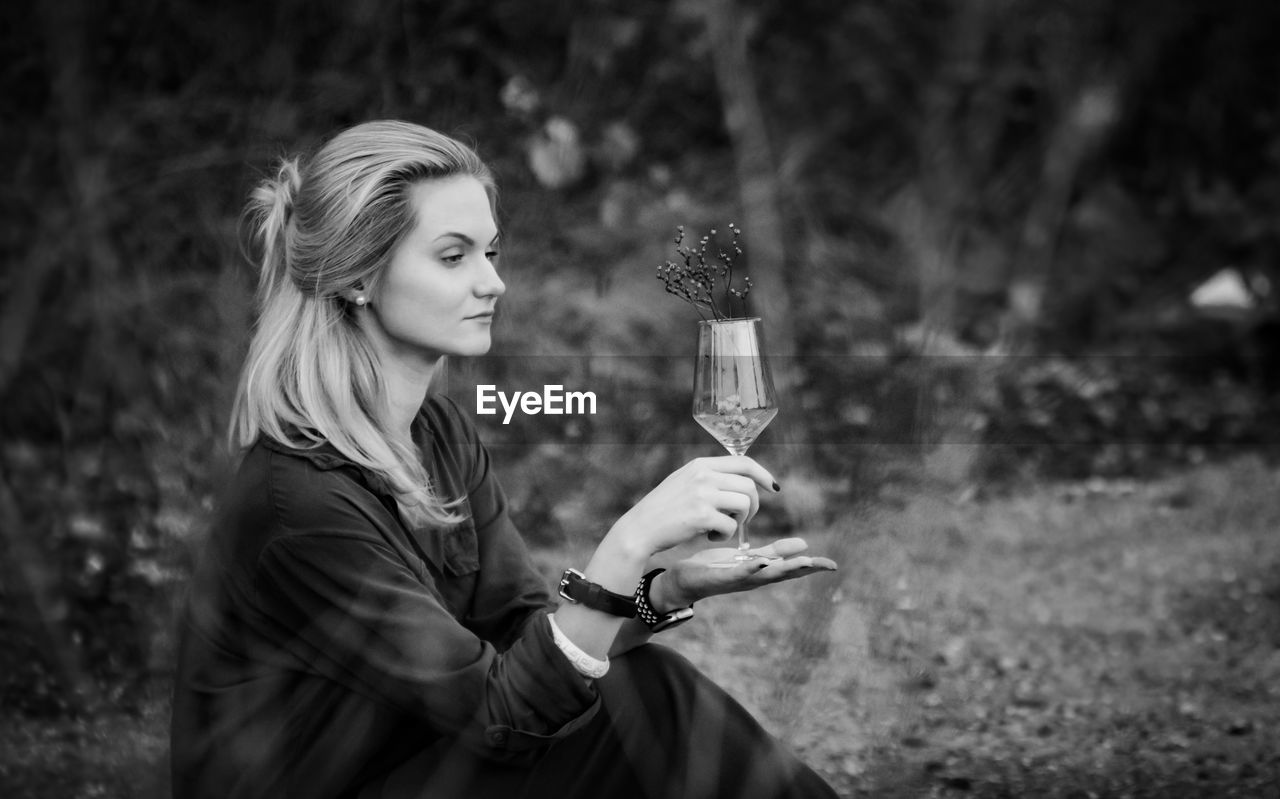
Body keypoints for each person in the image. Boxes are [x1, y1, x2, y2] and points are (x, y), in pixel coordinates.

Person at [170, 119, 841, 799]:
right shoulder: (300, 502)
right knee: (637, 707)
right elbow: (503, 715)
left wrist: (666, 588)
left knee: (643, 685)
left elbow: (527, 638)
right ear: (359, 276)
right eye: (454, 256)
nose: (494, 282)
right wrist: (630, 539)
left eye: (491, 252)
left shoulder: (439, 433)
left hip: (419, 762)